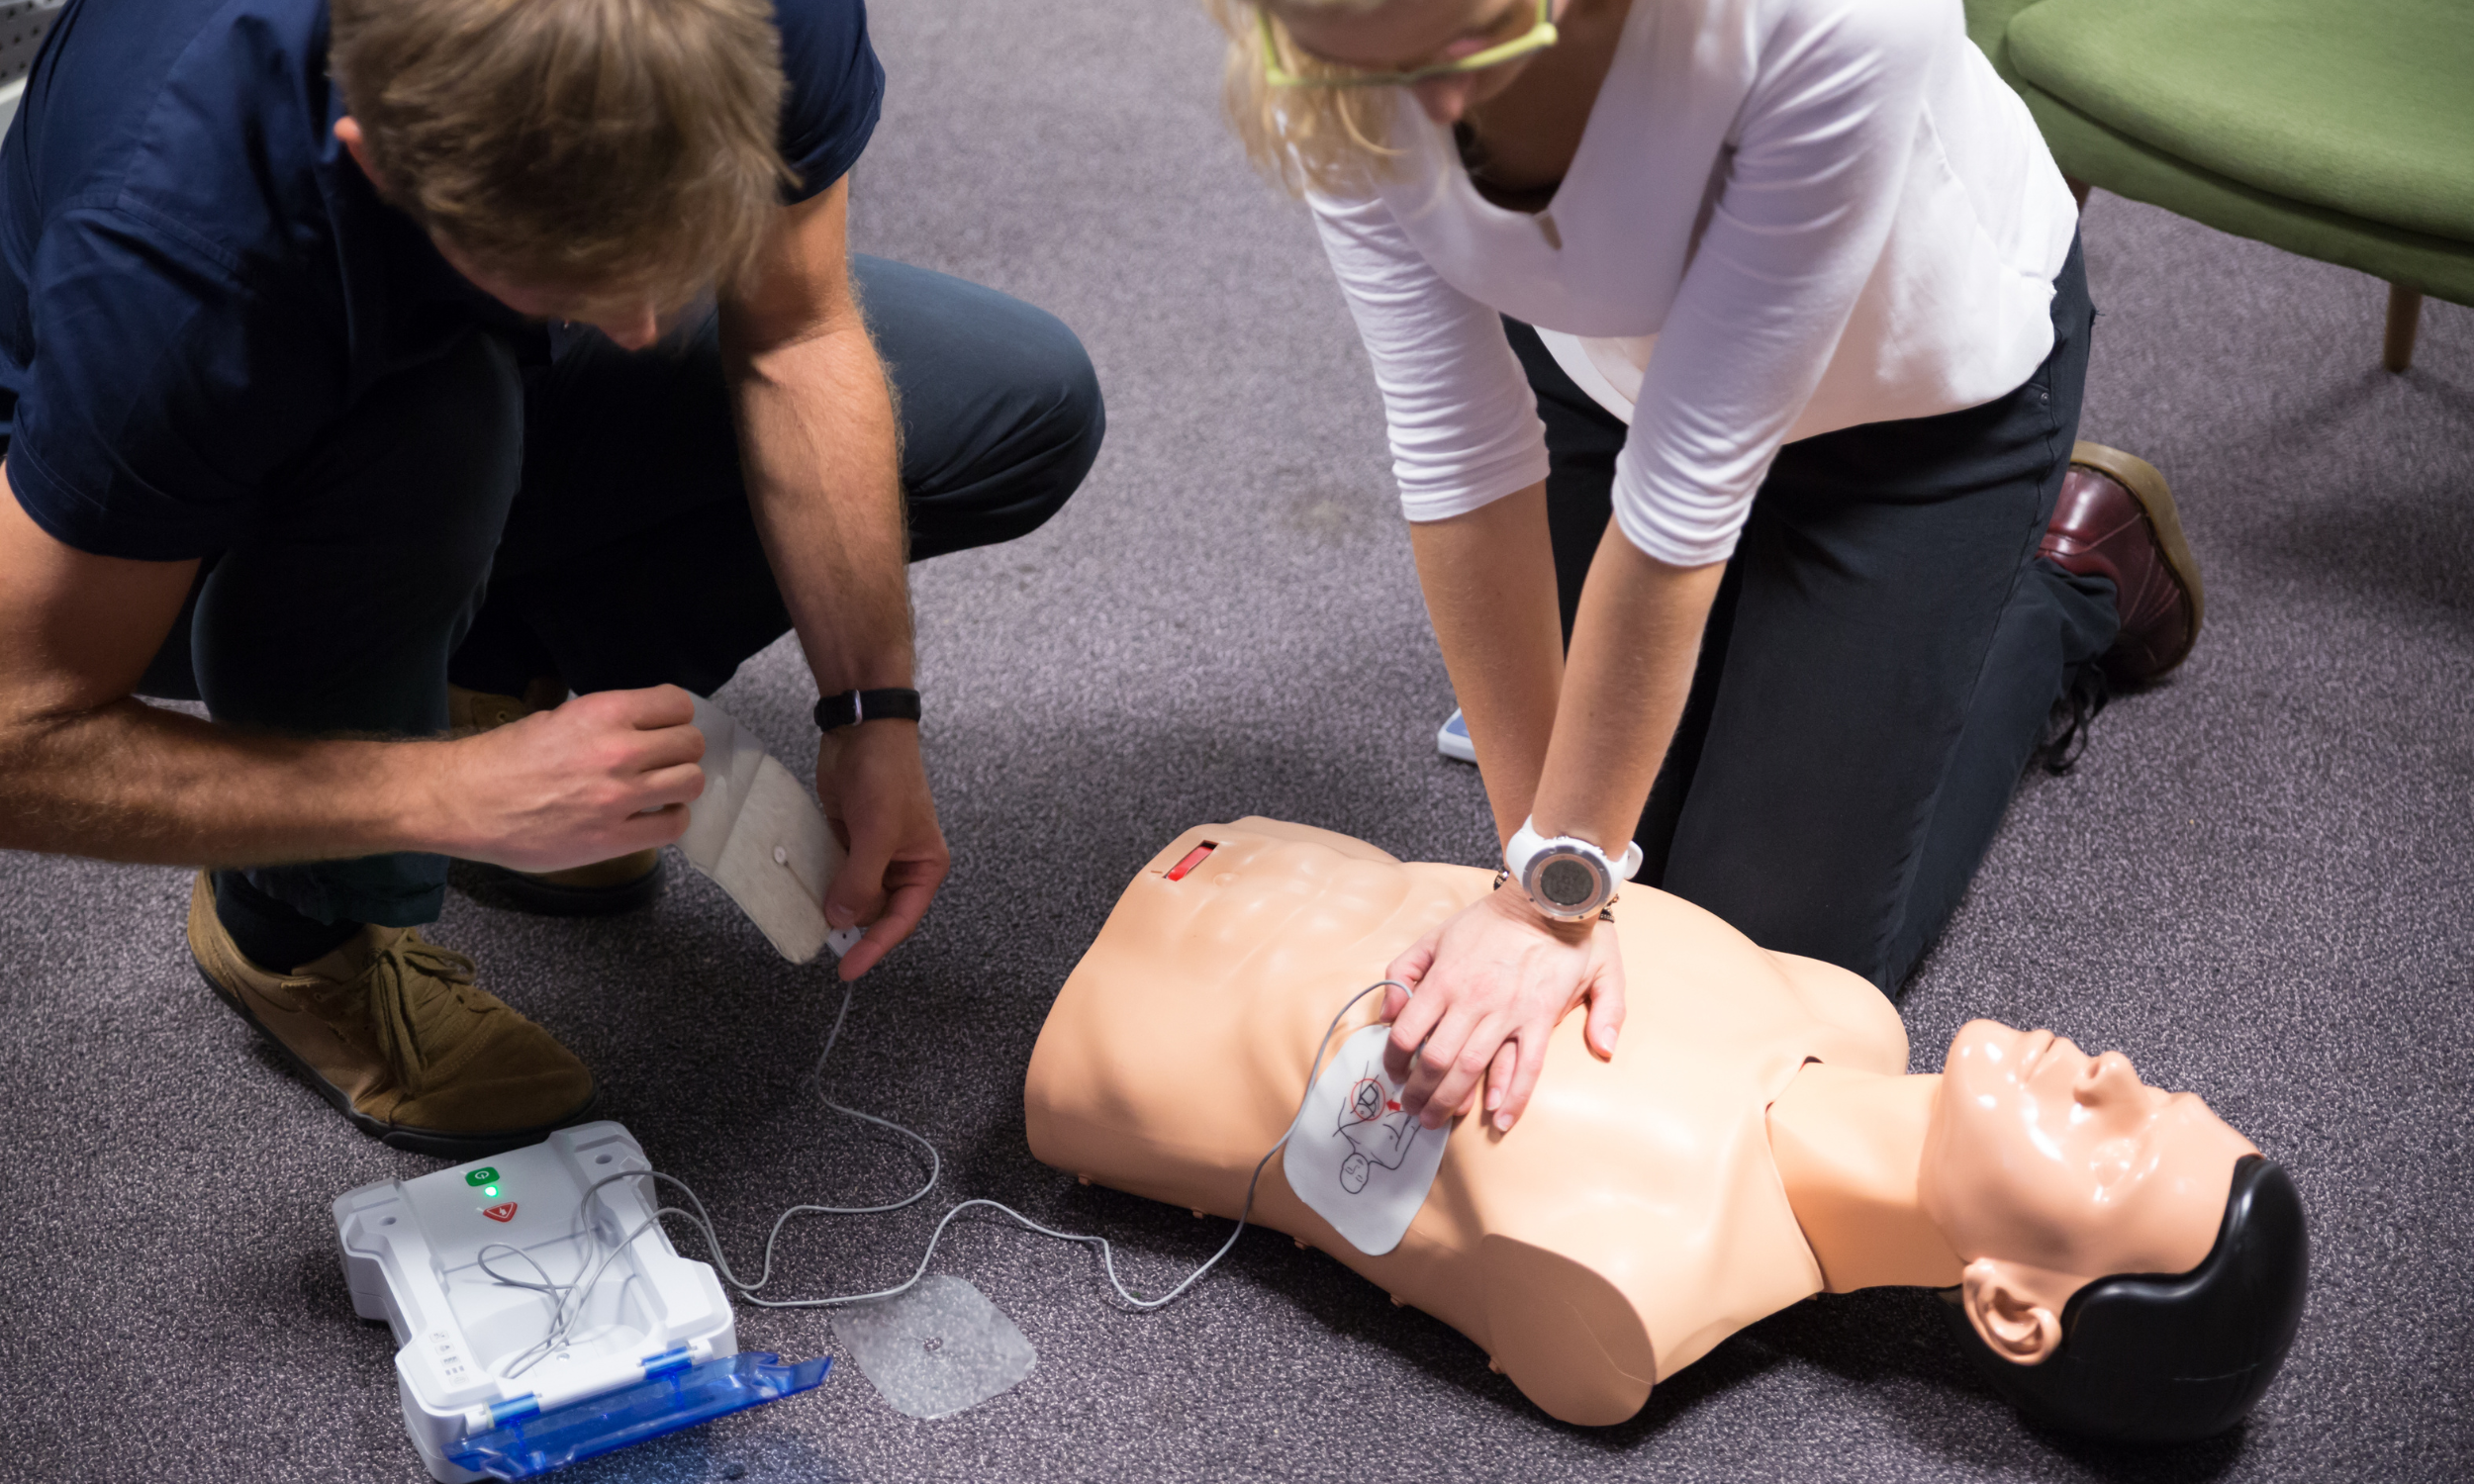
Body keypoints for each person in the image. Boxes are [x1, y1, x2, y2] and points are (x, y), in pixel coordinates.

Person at [0, 0, 1103, 1157]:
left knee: (1017, 400)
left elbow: (791, 334)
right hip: (129, 528)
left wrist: (871, 712)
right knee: (438, 426)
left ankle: (478, 674)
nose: (637, 325)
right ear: (380, 151)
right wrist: (445, 796)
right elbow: (22, 732)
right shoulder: (180, 255)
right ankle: (300, 928)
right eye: (571, 272)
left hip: (392, 316)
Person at [1204, 0, 2206, 1138]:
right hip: (1607, 381)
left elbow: (1685, 501)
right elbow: (1455, 448)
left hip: (1915, 415)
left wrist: (1546, 905)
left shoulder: (1835, 21)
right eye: (1344, 53)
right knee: (1624, 902)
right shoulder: (1324, 44)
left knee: (1758, 976)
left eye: (1469, 39)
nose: (1427, 104)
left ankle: (2063, 580)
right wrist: (1541, 876)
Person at [1026, 820, 2307, 1440]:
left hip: (1111, 1037)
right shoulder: (1841, 1014)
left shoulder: (1637, 1287)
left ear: (2016, 1312)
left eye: (2120, 1148)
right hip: (1256, 851)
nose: (2118, 1074)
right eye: (2160, 1092)